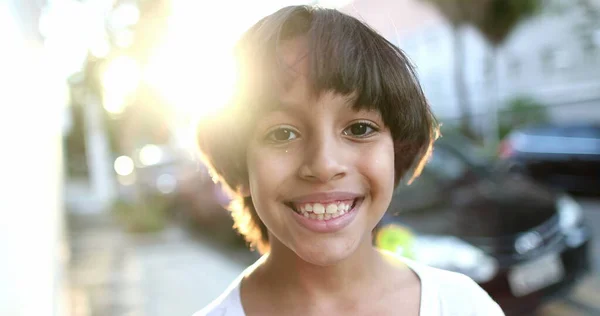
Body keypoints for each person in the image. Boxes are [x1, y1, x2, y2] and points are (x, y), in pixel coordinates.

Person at [194, 5, 504, 316]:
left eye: (359, 129)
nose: (325, 165)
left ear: (396, 153)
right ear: (240, 168)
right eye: (282, 134)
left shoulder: (464, 306)